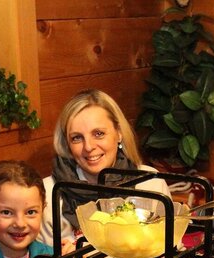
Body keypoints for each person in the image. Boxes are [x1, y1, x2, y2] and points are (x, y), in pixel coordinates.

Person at [40, 88, 170, 247]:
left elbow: (171, 250)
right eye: (77, 138)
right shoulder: (48, 194)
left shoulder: (150, 182)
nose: (88, 147)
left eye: (98, 134)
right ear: (67, 144)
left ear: (119, 133)